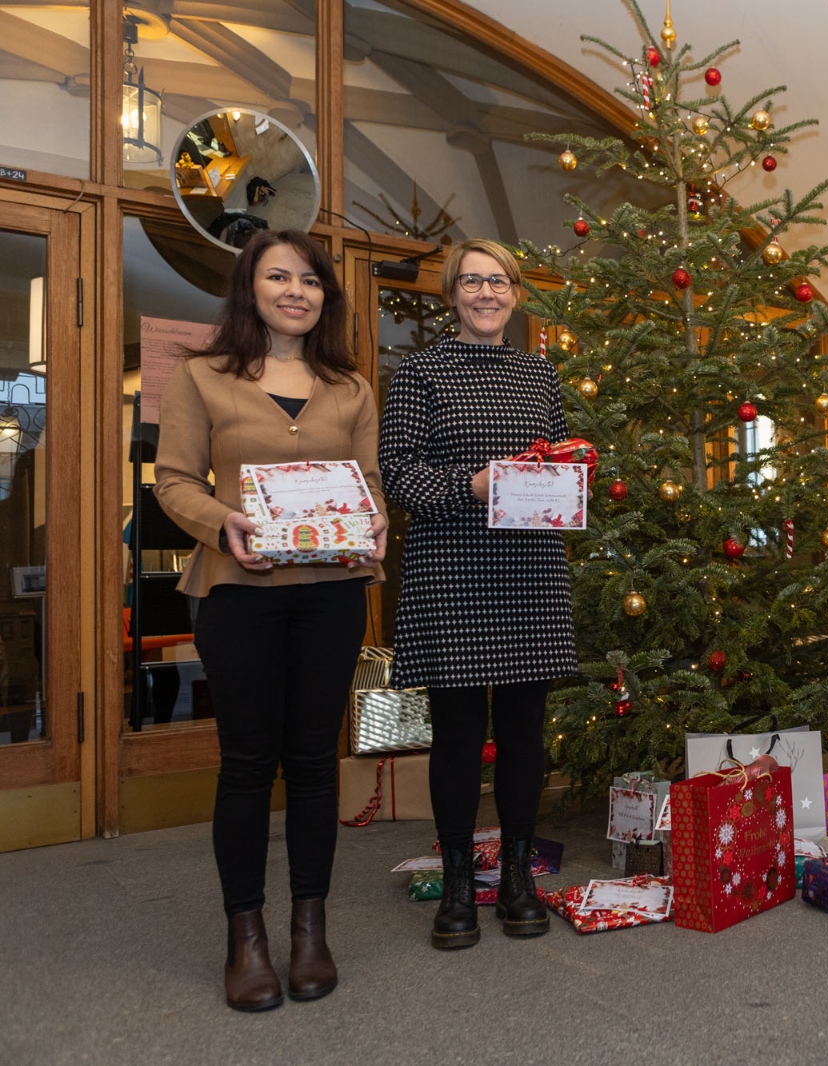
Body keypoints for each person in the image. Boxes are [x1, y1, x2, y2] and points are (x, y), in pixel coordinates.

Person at [154, 229, 387, 1011]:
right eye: (278, 276)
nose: (296, 290)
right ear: (249, 287)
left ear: (326, 294)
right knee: (250, 763)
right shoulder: (202, 376)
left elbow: (371, 483)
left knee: (316, 761)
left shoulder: (350, 386)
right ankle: (245, 935)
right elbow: (175, 482)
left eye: (310, 279)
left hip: (332, 590)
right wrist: (226, 521)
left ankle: (309, 929)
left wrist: (377, 521)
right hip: (238, 592)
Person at [378, 238, 578, 948]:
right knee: (458, 736)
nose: (486, 293)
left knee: (525, 729)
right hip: (451, 566)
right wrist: (473, 485)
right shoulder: (419, 374)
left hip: (528, 565)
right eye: (473, 282)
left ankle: (518, 872)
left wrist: (564, 478)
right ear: (452, 294)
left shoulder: (539, 375)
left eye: (499, 282)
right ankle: (460, 879)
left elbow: (554, 460)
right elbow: (398, 474)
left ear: (516, 294)